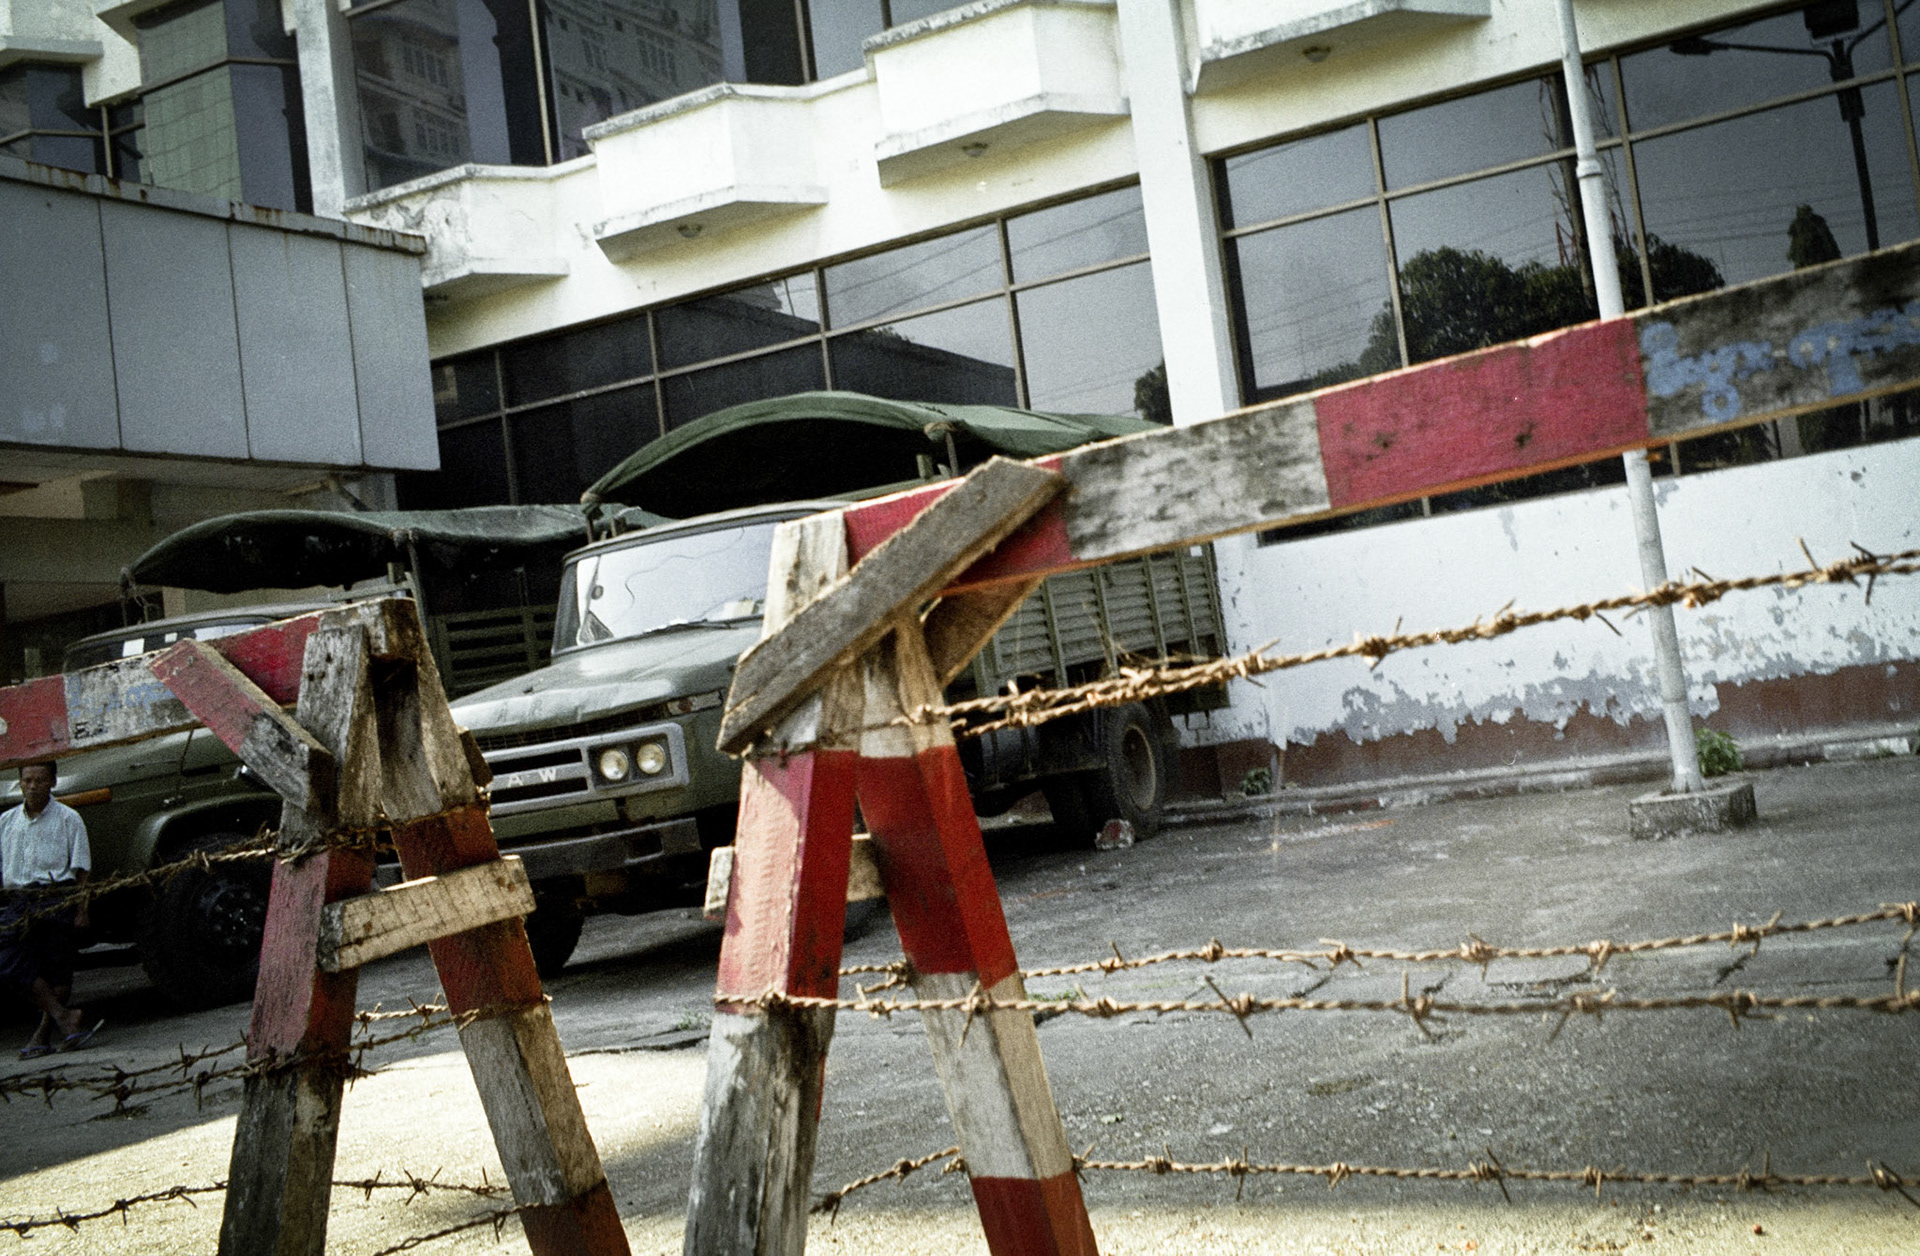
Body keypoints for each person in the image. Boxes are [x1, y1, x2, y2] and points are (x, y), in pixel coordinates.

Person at [0, 760, 100, 1058]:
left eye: (40, 780)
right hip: (19, 901)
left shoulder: (69, 819)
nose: (33, 786)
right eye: (27, 780)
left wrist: (82, 910)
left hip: (56, 898)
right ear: (20, 783)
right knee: (7, 961)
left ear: (53, 782)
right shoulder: (6, 822)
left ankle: (43, 1035)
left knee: (57, 969)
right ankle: (65, 1016)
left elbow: (82, 869)